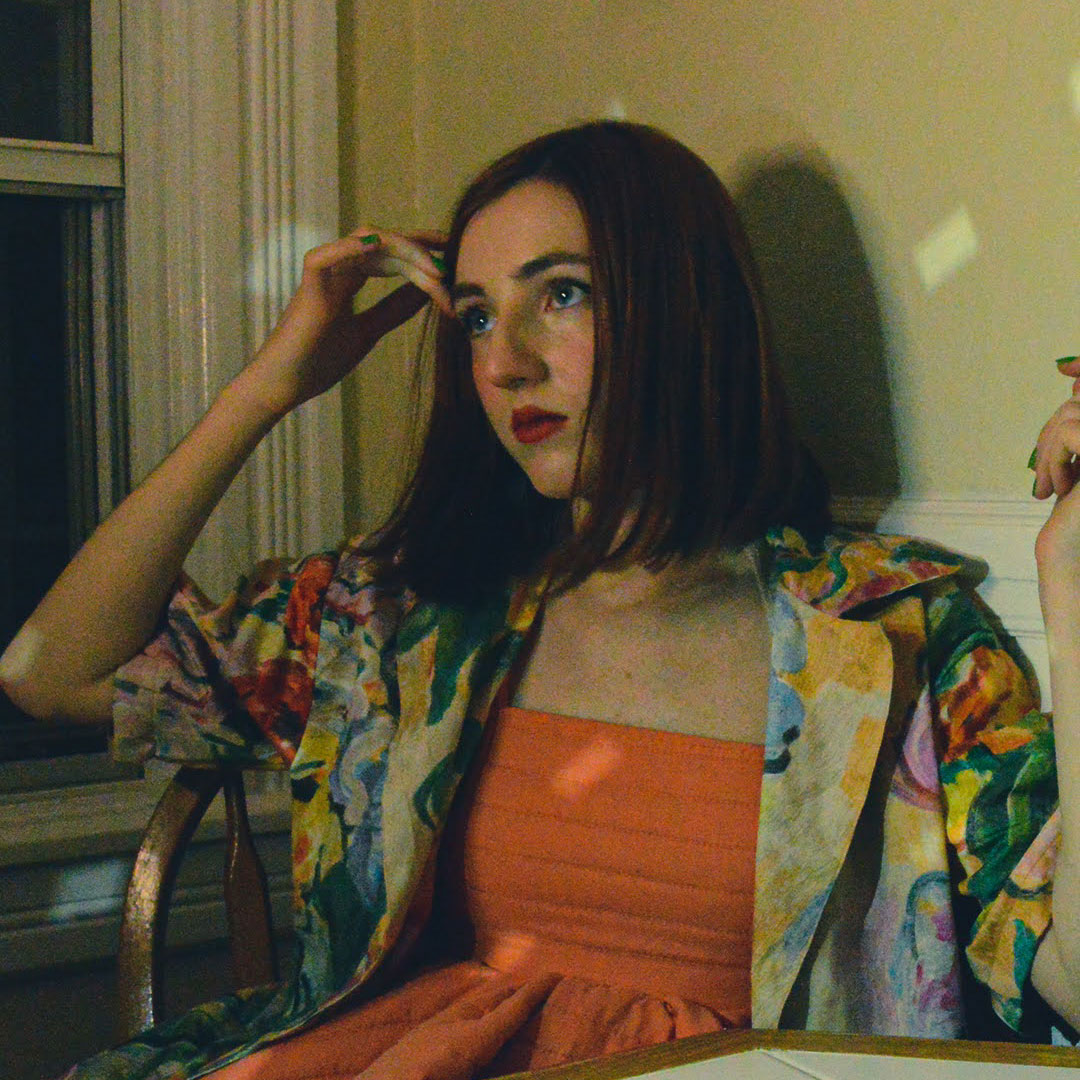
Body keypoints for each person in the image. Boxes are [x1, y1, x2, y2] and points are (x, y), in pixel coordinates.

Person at [0, 121, 1074, 1079]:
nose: (505, 363)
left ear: (686, 310)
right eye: (474, 317)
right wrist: (267, 387)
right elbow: (49, 670)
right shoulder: (401, 622)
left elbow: (1062, 978)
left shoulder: (892, 636)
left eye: (560, 294)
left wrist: (1072, 596)